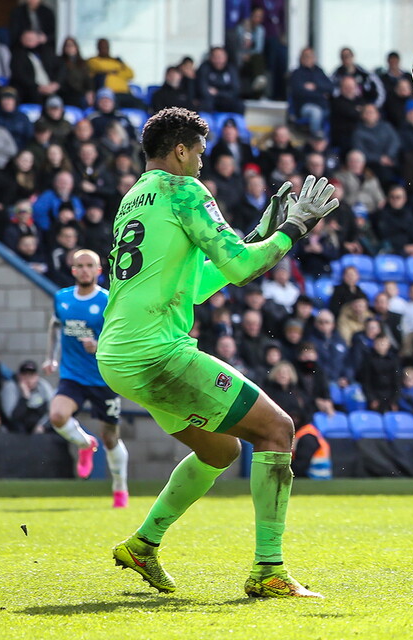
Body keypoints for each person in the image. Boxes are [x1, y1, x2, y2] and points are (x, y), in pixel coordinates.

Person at [96, 107, 339, 598]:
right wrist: (295, 226)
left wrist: (256, 235)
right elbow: (244, 269)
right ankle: (268, 570)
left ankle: (143, 545)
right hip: (155, 352)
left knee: (221, 448)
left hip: (117, 354)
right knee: (277, 430)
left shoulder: (133, 200)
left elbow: (202, 283)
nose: (204, 164)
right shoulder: (183, 190)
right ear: (181, 150)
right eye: (201, 153)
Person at [41, 249, 128, 506]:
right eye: (80, 265)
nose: (85, 269)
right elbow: (55, 326)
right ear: (73, 270)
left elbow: (122, 337)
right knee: (57, 416)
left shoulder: (108, 300)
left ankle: (120, 488)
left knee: (111, 437)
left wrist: (99, 345)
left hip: (105, 377)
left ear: (99, 271)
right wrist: (51, 358)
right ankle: (84, 443)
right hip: (73, 375)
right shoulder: (62, 298)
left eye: (90, 265)